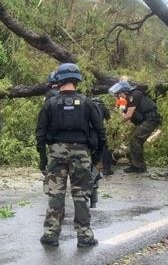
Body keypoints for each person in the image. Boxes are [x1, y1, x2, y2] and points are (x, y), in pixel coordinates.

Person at [36, 63, 105, 248]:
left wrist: (43, 158)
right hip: (82, 153)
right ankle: (85, 236)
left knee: (55, 194)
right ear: (76, 80)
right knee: (81, 195)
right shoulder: (87, 103)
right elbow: (100, 131)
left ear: (59, 80)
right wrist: (97, 157)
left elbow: (40, 133)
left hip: (56, 152)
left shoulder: (50, 103)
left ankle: (51, 234)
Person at [108, 80, 161, 173]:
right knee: (135, 140)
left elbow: (128, 115)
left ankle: (139, 166)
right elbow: (125, 112)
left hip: (151, 119)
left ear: (124, 92)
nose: (119, 97)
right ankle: (136, 164)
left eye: (119, 94)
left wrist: (117, 124)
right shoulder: (128, 99)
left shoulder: (134, 96)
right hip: (144, 120)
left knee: (135, 139)